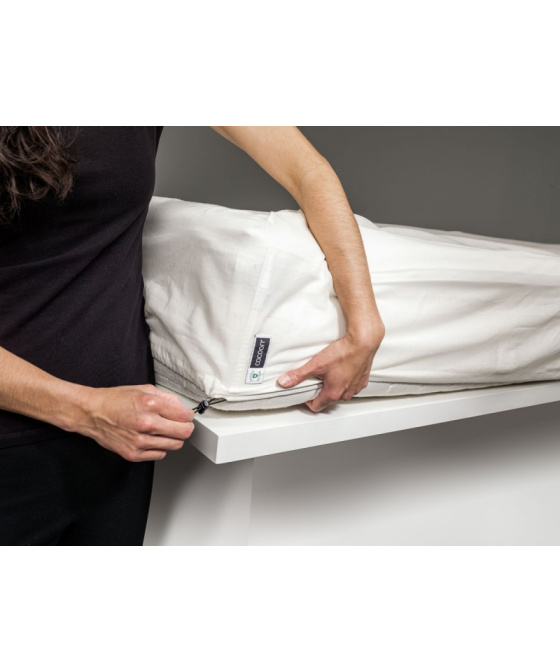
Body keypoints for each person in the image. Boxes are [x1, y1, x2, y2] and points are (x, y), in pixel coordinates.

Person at [0, 126, 386, 546]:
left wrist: (364, 323)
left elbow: (307, 170)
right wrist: (85, 409)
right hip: (25, 434)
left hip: (120, 441)